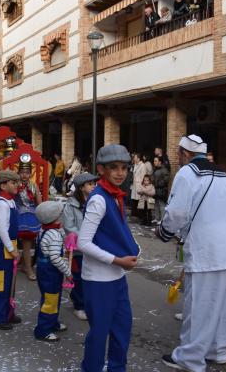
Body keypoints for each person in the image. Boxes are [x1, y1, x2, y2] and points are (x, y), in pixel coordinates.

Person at [157, 134, 226, 372]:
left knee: (200, 305)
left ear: (185, 154)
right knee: (224, 302)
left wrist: (164, 231)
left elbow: (176, 212)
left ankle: (190, 357)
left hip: (208, 250)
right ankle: (217, 350)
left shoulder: (188, 173)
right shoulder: (225, 176)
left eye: (179, 154)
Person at [77, 144, 140, 372]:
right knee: (100, 332)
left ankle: (116, 368)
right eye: (114, 168)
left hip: (116, 277)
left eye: (124, 167)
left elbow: (117, 231)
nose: (120, 173)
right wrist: (118, 260)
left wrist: (133, 250)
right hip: (98, 280)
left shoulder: (116, 196)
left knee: (122, 327)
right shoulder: (99, 199)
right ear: (101, 169)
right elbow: (83, 243)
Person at [33, 201, 72, 342]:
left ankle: (52, 322)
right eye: (60, 215)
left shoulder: (44, 229)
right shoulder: (54, 235)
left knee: (52, 298)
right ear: (55, 218)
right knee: (50, 300)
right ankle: (43, 330)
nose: (62, 217)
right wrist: (68, 272)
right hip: (50, 272)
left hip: (44, 270)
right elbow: (55, 258)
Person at [0, 169, 21, 331]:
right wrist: (11, 249)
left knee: (9, 283)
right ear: (3, 185)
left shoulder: (11, 202)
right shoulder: (1, 204)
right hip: (2, 249)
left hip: (10, 246)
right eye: (13, 182)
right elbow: (2, 230)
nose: (17, 185)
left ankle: (8, 312)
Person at [62, 172, 98, 321]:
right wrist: (86, 238)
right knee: (79, 277)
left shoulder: (96, 202)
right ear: (81, 187)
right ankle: (79, 305)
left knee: (91, 276)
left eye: (94, 183)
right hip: (77, 248)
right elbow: (69, 226)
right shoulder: (70, 205)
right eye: (90, 184)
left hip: (93, 246)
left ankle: (85, 301)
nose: (94, 186)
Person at [16, 161, 42, 281]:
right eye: (22, 172)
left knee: (28, 243)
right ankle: (25, 266)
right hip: (18, 215)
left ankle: (27, 266)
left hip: (31, 216)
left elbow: (39, 203)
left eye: (27, 173)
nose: (24, 175)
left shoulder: (33, 185)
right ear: (18, 173)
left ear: (31, 174)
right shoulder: (15, 184)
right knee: (19, 243)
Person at [152, 156, 169, 223]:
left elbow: (166, 179)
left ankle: (162, 219)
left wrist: (158, 184)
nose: (154, 162)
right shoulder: (155, 169)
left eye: (156, 161)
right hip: (155, 189)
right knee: (156, 204)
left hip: (161, 190)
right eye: (154, 161)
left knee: (161, 204)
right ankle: (157, 218)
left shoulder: (164, 169)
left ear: (160, 162)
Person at [131, 153, 147, 217]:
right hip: (134, 185)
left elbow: (143, 176)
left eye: (135, 157)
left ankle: (139, 214)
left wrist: (141, 185)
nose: (134, 158)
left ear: (138, 158)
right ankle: (134, 213)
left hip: (139, 185)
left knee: (138, 200)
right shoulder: (135, 164)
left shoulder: (143, 166)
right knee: (134, 199)